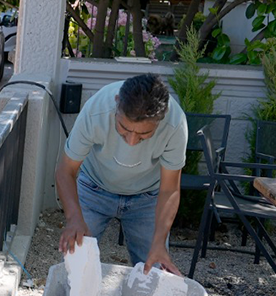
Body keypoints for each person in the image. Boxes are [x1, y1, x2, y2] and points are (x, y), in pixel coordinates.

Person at [56, 73, 187, 274]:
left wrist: (159, 241)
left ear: (161, 119)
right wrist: (73, 217)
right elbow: (66, 169)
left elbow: (169, 189)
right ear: (117, 103)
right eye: (124, 129)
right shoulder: (96, 110)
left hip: (147, 198)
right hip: (93, 189)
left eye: (144, 135)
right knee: (74, 269)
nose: (132, 141)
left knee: (155, 272)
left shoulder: (175, 123)